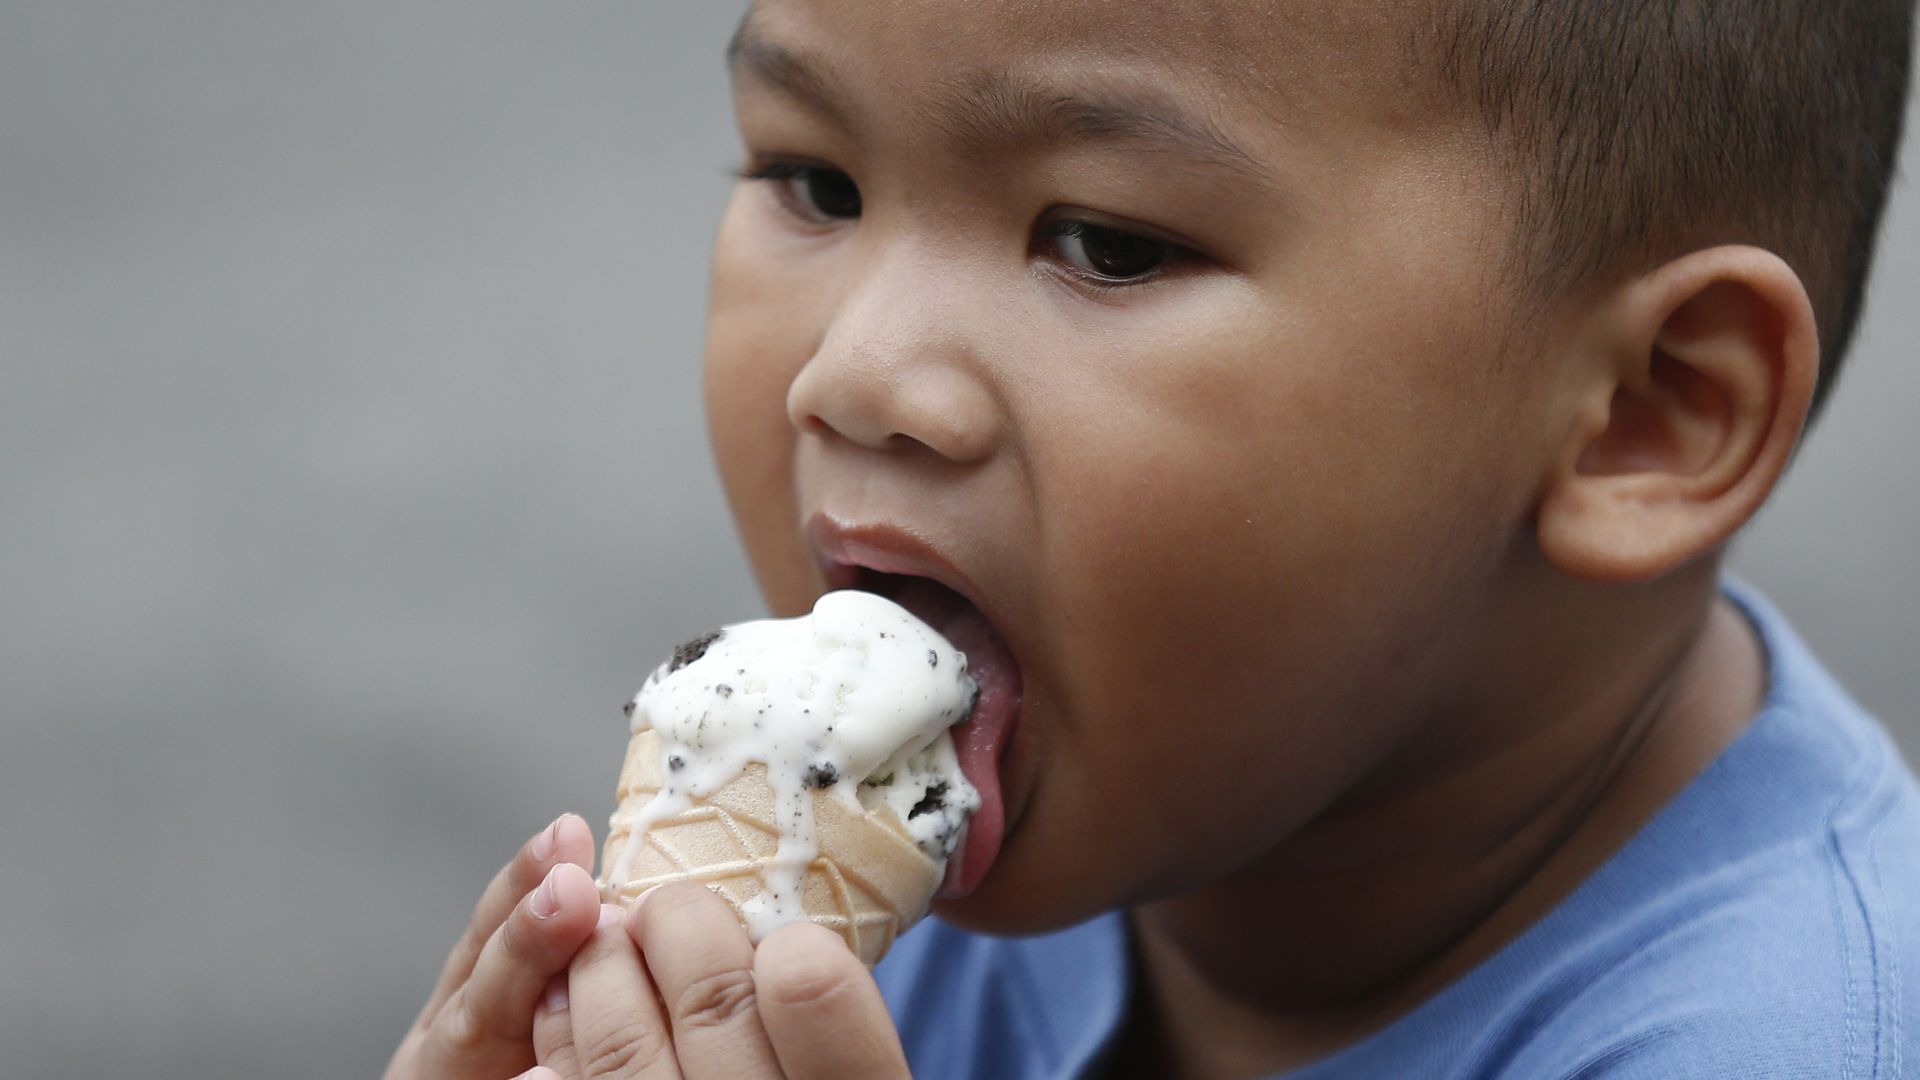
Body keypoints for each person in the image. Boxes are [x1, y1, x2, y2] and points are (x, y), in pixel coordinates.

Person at [385, 0, 1919, 1076]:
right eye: (817, 181)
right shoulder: (982, 847)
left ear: (1645, 413)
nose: (853, 371)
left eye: (1107, 243)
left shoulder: (1786, 1046)